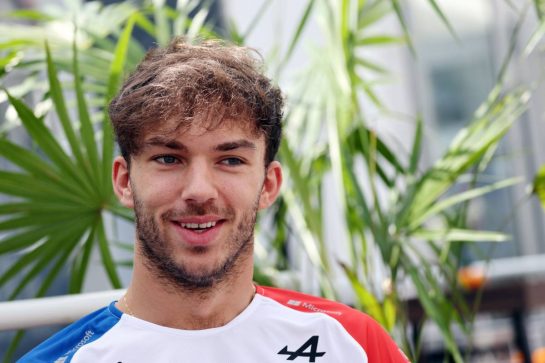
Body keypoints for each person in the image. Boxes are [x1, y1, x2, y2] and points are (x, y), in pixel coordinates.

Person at [19, 37, 410, 363]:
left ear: (269, 184)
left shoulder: (353, 344)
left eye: (230, 160)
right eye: (169, 158)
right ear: (124, 181)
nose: (200, 191)